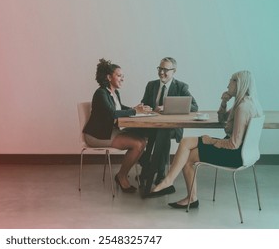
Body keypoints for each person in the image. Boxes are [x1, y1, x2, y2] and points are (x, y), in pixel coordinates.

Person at [148, 70, 263, 209]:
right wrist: (224, 101)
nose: (227, 85)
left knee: (189, 157)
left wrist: (211, 140)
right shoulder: (246, 103)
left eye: (231, 81)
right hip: (245, 152)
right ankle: (169, 181)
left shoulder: (243, 108)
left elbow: (233, 144)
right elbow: (222, 120)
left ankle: (188, 195)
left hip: (235, 155)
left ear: (239, 84)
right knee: (185, 142)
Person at [83, 58, 151, 193]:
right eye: (119, 76)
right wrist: (134, 111)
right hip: (97, 135)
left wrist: (135, 108)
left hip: (109, 131)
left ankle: (128, 173)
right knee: (137, 144)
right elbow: (113, 113)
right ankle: (121, 176)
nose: (122, 79)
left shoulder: (114, 92)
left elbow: (119, 108)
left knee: (143, 140)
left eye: (122, 76)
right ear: (109, 77)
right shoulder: (101, 93)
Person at [139, 57, 198, 197]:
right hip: (152, 125)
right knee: (153, 134)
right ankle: (152, 170)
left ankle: (155, 172)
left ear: (174, 71)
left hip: (171, 128)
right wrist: (145, 107)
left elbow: (194, 106)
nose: (161, 73)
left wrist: (167, 107)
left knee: (162, 134)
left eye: (165, 70)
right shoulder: (151, 85)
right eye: (160, 69)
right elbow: (144, 103)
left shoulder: (181, 87)